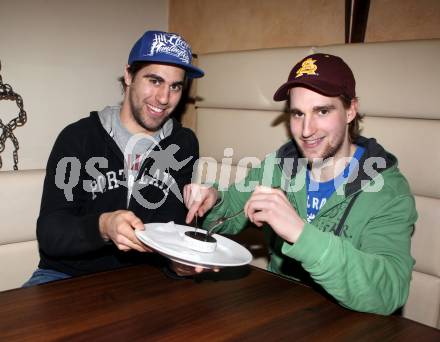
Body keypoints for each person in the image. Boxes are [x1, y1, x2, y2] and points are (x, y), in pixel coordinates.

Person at [183, 53, 417, 315]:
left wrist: (300, 234)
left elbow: (389, 292)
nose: (306, 130)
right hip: (277, 313)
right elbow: (228, 213)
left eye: (322, 111)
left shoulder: (387, 190)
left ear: (350, 109)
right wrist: (213, 200)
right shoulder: (282, 165)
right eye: (297, 114)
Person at [23, 30, 204, 286]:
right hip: (66, 276)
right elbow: (51, 233)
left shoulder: (184, 143)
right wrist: (103, 225)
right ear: (129, 75)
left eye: (175, 86)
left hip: (145, 279)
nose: (164, 98)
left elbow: (173, 231)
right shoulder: (78, 137)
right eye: (154, 81)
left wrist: (179, 263)